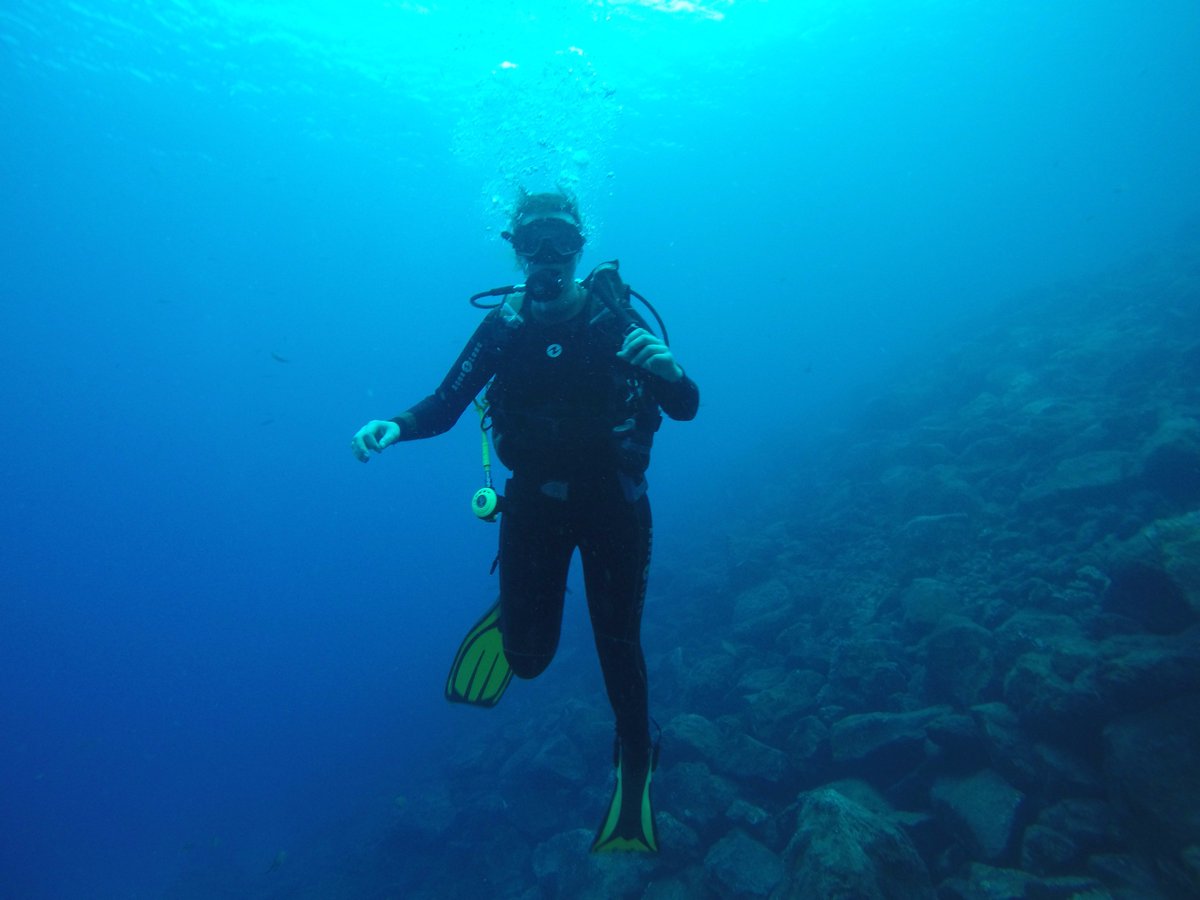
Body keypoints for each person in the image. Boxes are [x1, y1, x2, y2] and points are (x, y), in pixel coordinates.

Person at [350, 188, 699, 852]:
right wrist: (392, 425)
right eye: (533, 242)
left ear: (579, 247)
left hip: (616, 505)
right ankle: (516, 613)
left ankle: (634, 761)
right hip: (534, 506)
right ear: (513, 248)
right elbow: (447, 405)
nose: (547, 257)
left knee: (617, 644)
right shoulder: (504, 328)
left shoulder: (612, 323)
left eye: (561, 241)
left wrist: (675, 375)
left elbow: (684, 406)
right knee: (529, 662)